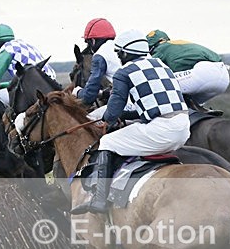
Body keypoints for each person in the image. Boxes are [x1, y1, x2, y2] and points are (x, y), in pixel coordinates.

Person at [71, 29, 190, 215]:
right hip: (183, 127)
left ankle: (99, 200)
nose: (118, 58)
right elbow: (149, 107)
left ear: (126, 52)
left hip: (162, 130)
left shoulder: (123, 72)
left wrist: (107, 120)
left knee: (108, 142)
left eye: (119, 53)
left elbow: (113, 112)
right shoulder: (160, 64)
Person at [146, 30, 229, 108]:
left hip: (205, 73)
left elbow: (149, 69)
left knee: (159, 86)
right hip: (223, 77)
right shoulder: (176, 44)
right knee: (192, 105)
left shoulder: (161, 48)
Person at [0, 23, 56, 105]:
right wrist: (1, 85)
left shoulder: (7, 49)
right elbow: (22, 80)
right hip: (50, 84)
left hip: (36, 89)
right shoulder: (23, 45)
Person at [72, 18, 120, 108]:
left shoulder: (100, 55)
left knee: (89, 119)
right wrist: (102, 93)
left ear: (93, 40)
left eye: (88, 42)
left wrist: (77, 92)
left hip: (127, 105)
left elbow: (88, 96)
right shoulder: (121, 47)